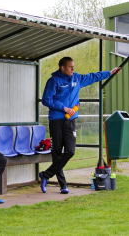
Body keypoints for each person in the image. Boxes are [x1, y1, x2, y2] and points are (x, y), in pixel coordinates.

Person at [39, 57, 120, 194]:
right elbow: (46, 100)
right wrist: (64, 108)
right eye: (70, 67)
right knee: (57, 153)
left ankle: (45, 175)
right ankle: (63, 184)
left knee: (70, 151)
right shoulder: (54, 81)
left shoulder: (77, 78)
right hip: (56, 120)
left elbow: (93, 76)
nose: (73, 69)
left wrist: (109, 73)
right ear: (62, 68)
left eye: (73, 66)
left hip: (71, 121)